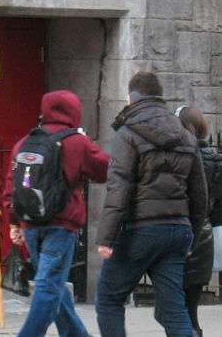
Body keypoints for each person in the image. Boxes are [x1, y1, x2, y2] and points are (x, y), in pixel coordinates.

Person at [95, 72, 207, 337]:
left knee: (109, 299)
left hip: (141, 229)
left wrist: (106, 238)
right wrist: (191, 236)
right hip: (177, 230)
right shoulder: (185, 135)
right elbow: (199, 193)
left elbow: (119, 186)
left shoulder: (128, 132)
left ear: (132, 97)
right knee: (174, 309)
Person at [2, 90, 109, 337]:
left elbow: (11, 185)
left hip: (30, 224)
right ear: (74, 111)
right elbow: (103, 171)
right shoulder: (77, 142)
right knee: (49, 285)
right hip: (62, 224)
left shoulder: (24, 143)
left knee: (53, 283)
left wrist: (13, 222)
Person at [175, 106, 220, 337]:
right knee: (191, 306)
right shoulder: (216, 160)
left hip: (181, 230)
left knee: (174, 304)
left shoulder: (180, 157)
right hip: (205, 234)